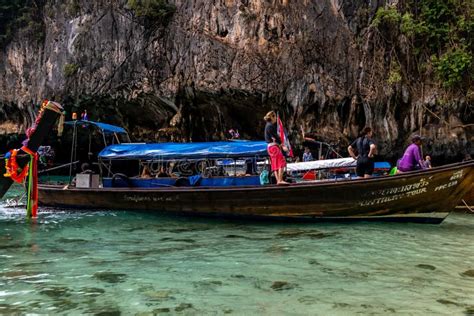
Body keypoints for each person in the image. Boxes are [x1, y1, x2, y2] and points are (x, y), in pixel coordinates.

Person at [264, 111, 288, 185]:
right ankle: (280, 180)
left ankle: (278, 180)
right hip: (274, 147)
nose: (276, 119)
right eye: (275, 117)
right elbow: (276, 136)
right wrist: (282, 145)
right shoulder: (270, 125)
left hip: (270, 147)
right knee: (281, 161)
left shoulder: (267, 126)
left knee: (275, 164)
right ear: (272, 117)